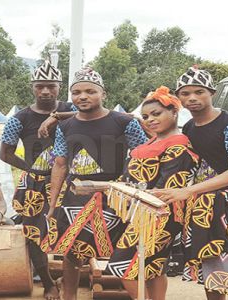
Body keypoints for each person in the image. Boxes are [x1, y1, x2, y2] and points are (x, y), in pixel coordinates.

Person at [152, 67, 228, 300]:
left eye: (199, 92)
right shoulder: (189, 128)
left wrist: (187, 191)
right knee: (211, 270)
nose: (192, 98)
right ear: (178, 98)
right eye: (185, 93)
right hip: (201, 206)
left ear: (212, 93)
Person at [46, 67, 148, 300]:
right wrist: (53, 204)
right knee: (72, 252)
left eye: (90, 91)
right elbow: (60, 164)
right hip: (75, 199)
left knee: (123, 250)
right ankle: (69, 296)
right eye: (77, 92)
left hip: (117, 198)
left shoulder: (124, 122)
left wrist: (137, 193)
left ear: (104, 94)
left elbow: (143, 157)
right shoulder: (65, 127)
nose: (83, 96)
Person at [106, 86, 199, 300]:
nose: (150, 120)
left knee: (123, 266)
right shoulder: (153, 141)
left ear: (174, 112)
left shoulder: (178, 146)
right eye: (146, 116)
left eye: (157, 114)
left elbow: (167, 188)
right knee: (155, 266)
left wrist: (128, 192)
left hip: (159, 214)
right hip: (143, 211)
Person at [0, 60, 76, 300]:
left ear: (59, 87)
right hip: (35, 185)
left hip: (70, 182)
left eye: (51, 86)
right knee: (34, 233)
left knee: (72, 231)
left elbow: (98, 114)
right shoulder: (19, 118)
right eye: (40, 86)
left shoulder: (74, 108)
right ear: (32, 87)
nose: (45, 91)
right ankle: (48, 283)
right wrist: (33, 170)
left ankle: (70, 278)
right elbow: (5, 153)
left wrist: (58, 116)